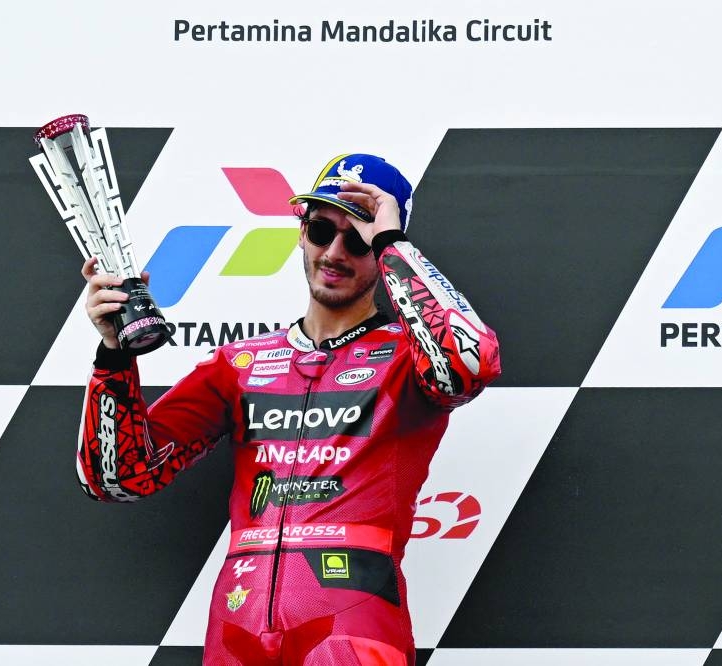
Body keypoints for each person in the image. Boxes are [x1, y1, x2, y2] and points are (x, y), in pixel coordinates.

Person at [77, 154, 501, 665]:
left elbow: (471, 362)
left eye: (358, 239)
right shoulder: (239, 364)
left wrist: (392, 242)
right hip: (237, 626)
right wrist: (114, 356)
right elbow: (120, 477)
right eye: (321, 231)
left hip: (352, 626)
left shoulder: (409, 358)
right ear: (301, 233)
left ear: (381, 251)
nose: (334, 253)